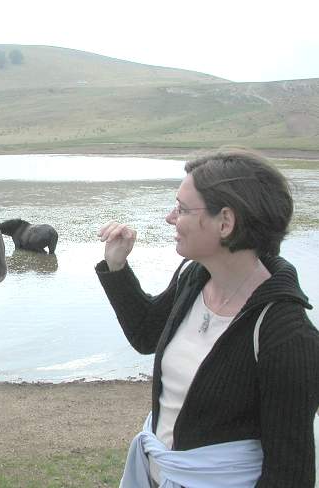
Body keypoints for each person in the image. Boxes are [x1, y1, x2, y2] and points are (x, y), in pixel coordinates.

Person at [95, 148, 319, 487]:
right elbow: (146, 335)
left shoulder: (285, 335)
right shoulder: (195, 278)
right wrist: (116, 266)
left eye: (183, 209)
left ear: (225, 222)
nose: (170, 218)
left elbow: (289, 473)